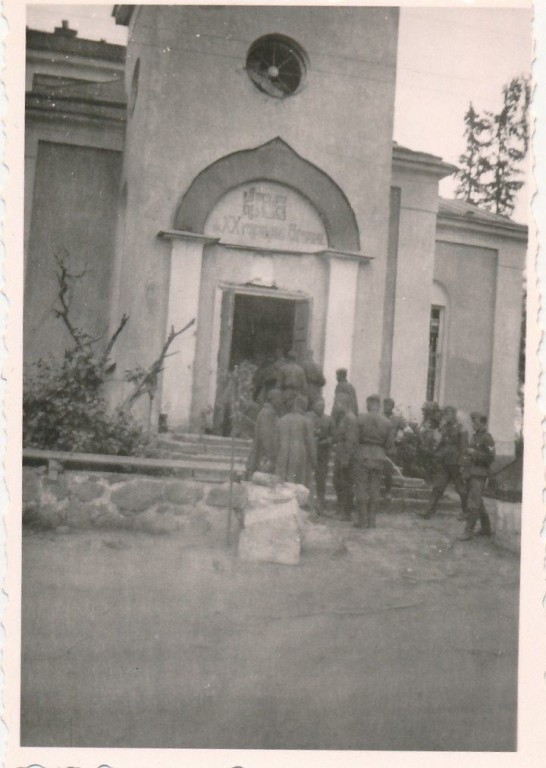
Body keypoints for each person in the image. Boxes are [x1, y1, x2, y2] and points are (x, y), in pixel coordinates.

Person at [419, 405, 467, 520]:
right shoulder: (444, 428)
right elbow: (441, 444)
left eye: (448, 414)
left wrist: (462, 464)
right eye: (445, 414)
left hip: (455, 463)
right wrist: (437, 454)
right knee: (438, 486)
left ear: (454, 415)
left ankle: (466, 512)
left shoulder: (461, 429)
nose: (446, 416)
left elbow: (464, 447)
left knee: (460, 488)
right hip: (444, 462)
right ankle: (429, 511)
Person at [355, 394, 393, 528]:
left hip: (363, 455)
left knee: (361, 488)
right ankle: (372, 521)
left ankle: (362, 520)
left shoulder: (360, 418)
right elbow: (389, 444)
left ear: (369, 404)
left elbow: (354, 439)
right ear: (379, 405)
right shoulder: (387, 422)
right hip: (379, 456)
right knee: (375, 490)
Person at [458, 412, 496, 541]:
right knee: (478, 502)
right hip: (471, 472)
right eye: (473, 422)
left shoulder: (487, 438)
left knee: (473, 503)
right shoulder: (475, 437)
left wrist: (474, 452)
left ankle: (468, 531)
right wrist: (464, 466)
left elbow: (490, 457)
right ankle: (486, 529)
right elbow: (468, 455)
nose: (474, 424)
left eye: (476, 422)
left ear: (483, 423)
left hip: (480, 474)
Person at [275, 394, 317, 487]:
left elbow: (275, 443)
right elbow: (311, 444)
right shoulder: (306, 421)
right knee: (297, 486)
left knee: (281, 486)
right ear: (304, 406)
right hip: (299, 457)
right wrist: (314, 461)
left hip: (282, 455)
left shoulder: (281, 420)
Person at [332, 392, 359, 521]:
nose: (336, 405)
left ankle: (346, 512)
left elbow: (350, 440)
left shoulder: (350, 418)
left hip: (345, 455)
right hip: (341, 453)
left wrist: (346, 458)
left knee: (346, 484)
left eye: (338, 403)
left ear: (344, 403)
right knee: (339, 482)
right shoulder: (345, 417)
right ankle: (342, 510)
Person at [245, 388, 283, 478]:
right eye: (279, 399)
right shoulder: (268, 413)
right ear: (272, 399)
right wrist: (271, 455)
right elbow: (266, 437)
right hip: (263, 457)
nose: (281, 402)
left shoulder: (269, 412)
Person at [310, 397, 334, 513]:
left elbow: (333, 436)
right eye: (319, 405)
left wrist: (326, 441)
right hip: (310, 451)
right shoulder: (308, 417)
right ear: (314, 406)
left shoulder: (329, 419)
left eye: (323, 406)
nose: (321, 408)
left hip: (322, 452)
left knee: (321, 478)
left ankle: (321, 503)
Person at [382, 397, 406, 500]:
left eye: (388, 405)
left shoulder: (397, 419)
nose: (385, 407)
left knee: (388, 471)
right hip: (379, 447)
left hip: (391, 448)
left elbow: (407, 429)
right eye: (384, 405)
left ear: (392, 406)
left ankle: (388, 491)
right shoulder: (380, 417)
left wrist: (399, 437)